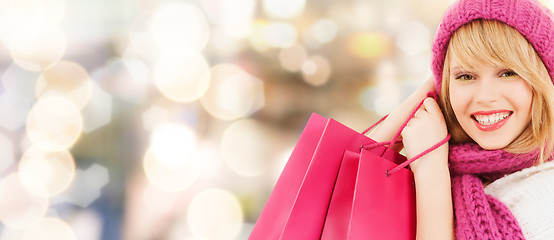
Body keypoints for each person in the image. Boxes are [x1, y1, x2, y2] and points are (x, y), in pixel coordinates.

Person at [368, 0, 554, 239]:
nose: (485, 97)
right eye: (466, 76)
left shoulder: (544, 198)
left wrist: (431, 173)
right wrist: (424, 96)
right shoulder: (446, 161)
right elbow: (337, 184)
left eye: (508, 73)